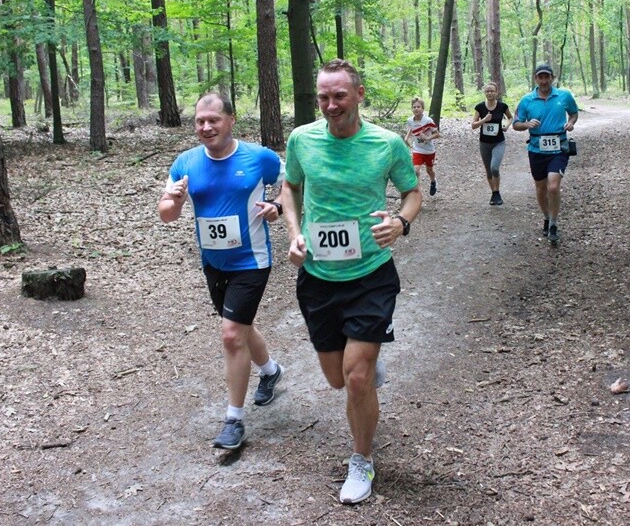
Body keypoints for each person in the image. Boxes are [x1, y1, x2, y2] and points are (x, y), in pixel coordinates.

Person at [279, 59, 422, 505]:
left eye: (339, 95)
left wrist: (401, 221)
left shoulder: (386, 144)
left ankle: (361, 460)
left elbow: (412, 193)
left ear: (358, 94)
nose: (330, 104)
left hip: (371, 275)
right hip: (319, 277)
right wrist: (295, 233)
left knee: (356, 379)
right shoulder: (302, 139)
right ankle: (364, 358)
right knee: (337, 379)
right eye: (323, 96)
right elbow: (290, 189)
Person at [158, 92, 286, 451]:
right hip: (213, 262)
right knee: (240, 328)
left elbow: (292, 184)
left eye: (213, 119)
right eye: (200, 121)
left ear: (231, 120)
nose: (206, 126)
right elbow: (166, 214)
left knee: (231, 334)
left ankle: (234, 420)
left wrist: (276, 205)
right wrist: (174, 200)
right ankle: (271, 371)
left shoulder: (259, 158)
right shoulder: (185, 163)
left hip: (252, 260)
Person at [512, 63, 579, 244]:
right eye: (540, 77)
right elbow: (516, 124)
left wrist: (571, 123)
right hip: (536, 148)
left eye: (546, 77)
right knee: (541, 188)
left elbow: (573, 113)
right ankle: (547, 217)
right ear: (535, 79)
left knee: (553, 187)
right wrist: (527, 124)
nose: (543, 81)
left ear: (552, 78)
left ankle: (554, 225)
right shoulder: (526, 100)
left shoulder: (564, 96)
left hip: (559, 147)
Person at [471, 82, 513, 205]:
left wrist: (506, 125)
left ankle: (497, 191)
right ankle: (494, 194)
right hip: (484, 143)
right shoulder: (480, 107)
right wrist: (484, 120)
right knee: (488, 171)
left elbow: (510, 117)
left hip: (499, 142)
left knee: (494, 167)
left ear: (496, 92)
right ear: (485, 92)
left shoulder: (502, 106)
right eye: (487, 91)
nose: (489, 93)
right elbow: (473, 125)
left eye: (492, 91)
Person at [404, 97, 440, 196]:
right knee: (415, 170)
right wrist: (406, 138)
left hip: (429, 150)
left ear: (423, 109)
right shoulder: (410, 120)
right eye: (414, 107)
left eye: (418, 107)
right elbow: (411, 129)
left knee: (429, 170)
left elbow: (437, 134)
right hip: (417, 149)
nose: (416, 109)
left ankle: (433, 181)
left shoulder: (428, 120)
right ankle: (416, 192)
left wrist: (428, 138)